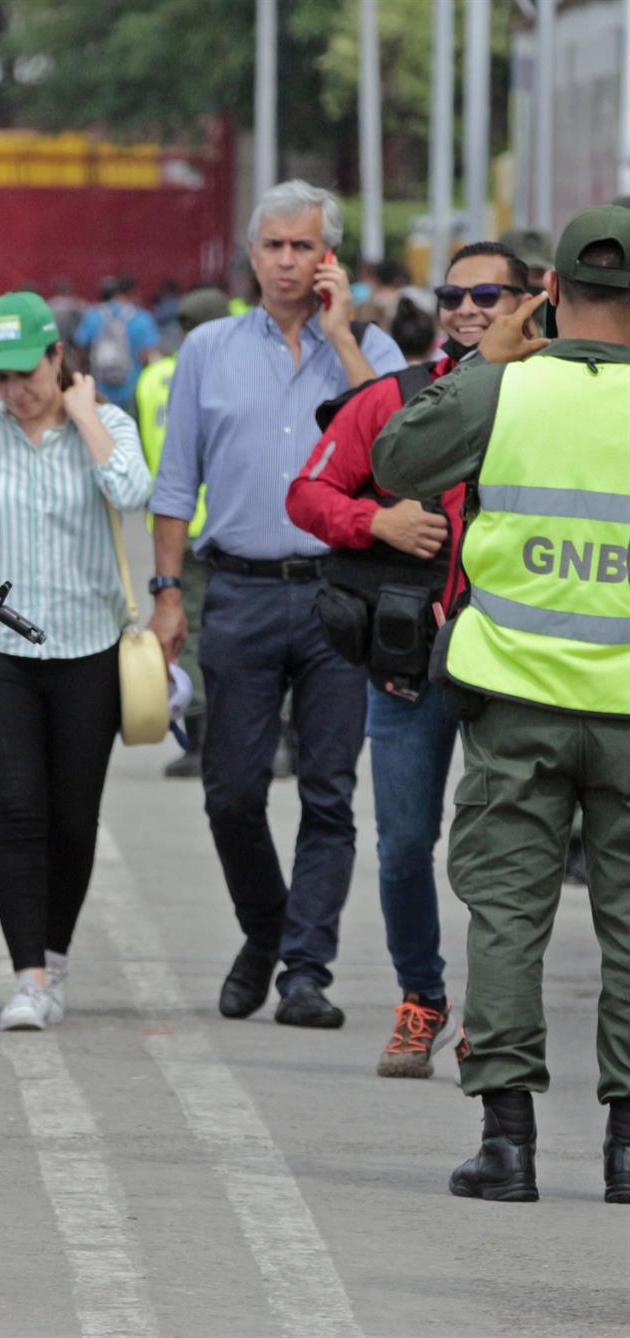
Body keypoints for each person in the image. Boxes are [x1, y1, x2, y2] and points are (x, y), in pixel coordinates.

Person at [373, 205, 630, 1202]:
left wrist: (488, 362)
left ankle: (509, 1144)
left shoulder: (506, 389)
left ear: (551, 294)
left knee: (507, 918)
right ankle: (625, 1151)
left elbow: (396, 465)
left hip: (514, 698)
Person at [148, 180, 405, 1030]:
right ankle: (266, 932)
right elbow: (176, 481)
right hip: (243, 591)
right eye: (274, 246)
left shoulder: (368, 349)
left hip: (341, 593)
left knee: (330, 790)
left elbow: (403, 454)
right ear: (251, 253)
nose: (288, 261)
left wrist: (342, 336)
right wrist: (166, 596)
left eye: (305, 246)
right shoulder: (209, 350)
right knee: (231, 791)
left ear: (328, 256)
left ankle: (306, 969)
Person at [287, 241, 529, 1080]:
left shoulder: (556, 400)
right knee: (401, 846)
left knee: (507, 858)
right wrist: (377, 524)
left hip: (518, 669)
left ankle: (493, 1020)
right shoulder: (396, 398)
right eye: (453, 295)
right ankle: (422, 999)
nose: (467, 309)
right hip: (409, 667)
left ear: (532, 302)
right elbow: (309, 494)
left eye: (488, 294)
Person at [0, 293, 151, 1029]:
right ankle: (25, 977)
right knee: (13, 811)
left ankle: (54, 954)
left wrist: (85, 418)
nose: (13, 392)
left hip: (88, 649)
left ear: (59, 358)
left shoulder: (105, 425)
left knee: (72, 819)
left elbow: (134, 494)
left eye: (27, 373)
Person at [137, 287, 232, 778]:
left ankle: (197, 740)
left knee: (187, 633)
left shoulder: (153, 378)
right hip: (228, 525)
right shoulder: (233, 370)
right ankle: (276, 737)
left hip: (175, 528)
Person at [73, 273, 161, 412]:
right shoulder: (142, 318)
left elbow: (80, 349)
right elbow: (149, 356)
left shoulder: (93, 315)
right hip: (132, 390)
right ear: (133, 292)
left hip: (99, 391)